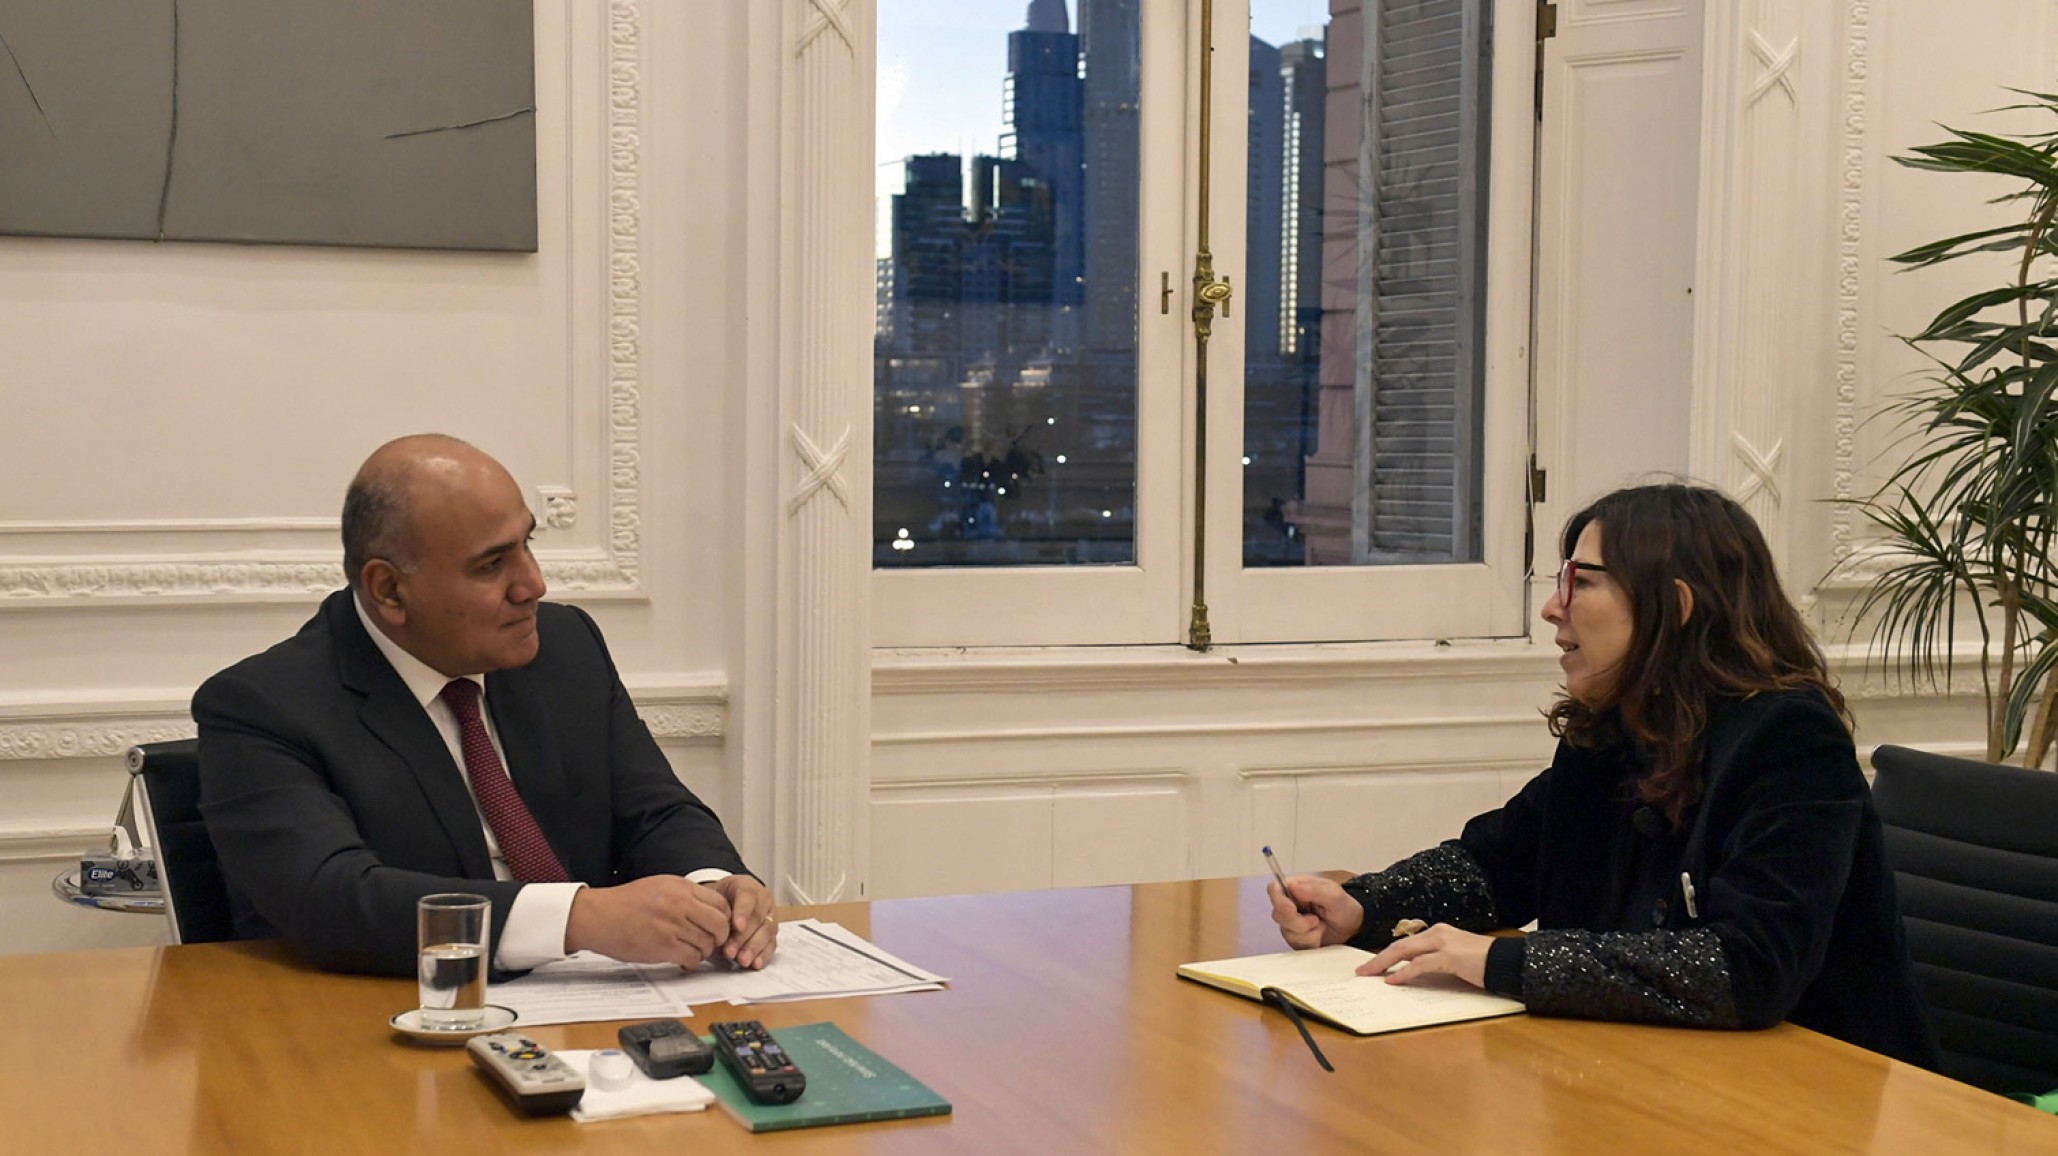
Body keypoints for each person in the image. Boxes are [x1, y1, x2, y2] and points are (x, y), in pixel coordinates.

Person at [1269, 483, 1939, 1066]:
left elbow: (1748, 969)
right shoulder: (1616, 726)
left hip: (1818, 1098)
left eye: (1581, 583)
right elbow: (1498, 864)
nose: (1552, 610)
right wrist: (1365, 907)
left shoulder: (1791, 742)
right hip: (1647, 1071)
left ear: (1673, 607)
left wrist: (1502, 963)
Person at [194, 434, 778, 977]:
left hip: (590, 1014)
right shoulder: (260, 708)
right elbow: (338, 899)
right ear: (389, 590)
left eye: (528, 543)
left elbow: (656, 811)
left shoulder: (564, 646)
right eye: (491, 565)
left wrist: (716, 885)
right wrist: (578, 919)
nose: (534, 585)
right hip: (389, 1021)